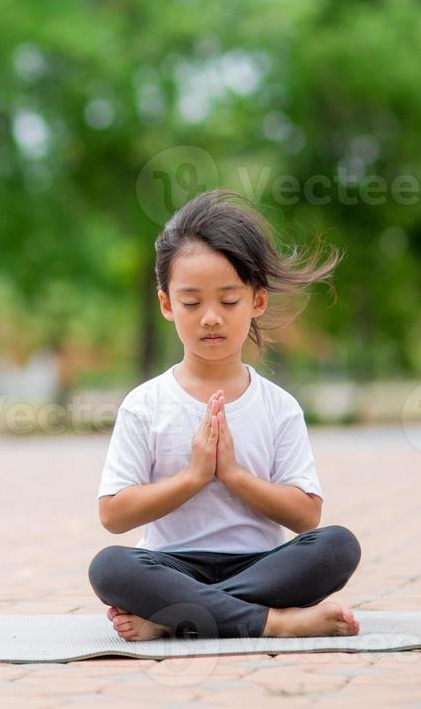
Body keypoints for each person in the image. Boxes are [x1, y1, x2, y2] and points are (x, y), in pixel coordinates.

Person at [90, 188, 362, 642]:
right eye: (192, 303)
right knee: (110, 567)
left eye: (229, 301)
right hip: (170, 564)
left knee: (337, 547)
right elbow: (114, 516)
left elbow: (307, 517)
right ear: (166, 304)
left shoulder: (278, 406)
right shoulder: (146, 403)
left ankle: (178, 617)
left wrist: (233, 474)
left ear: (257, 301)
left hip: (261, 563)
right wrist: (194, 477)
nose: (211, 318)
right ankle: (269, 622)